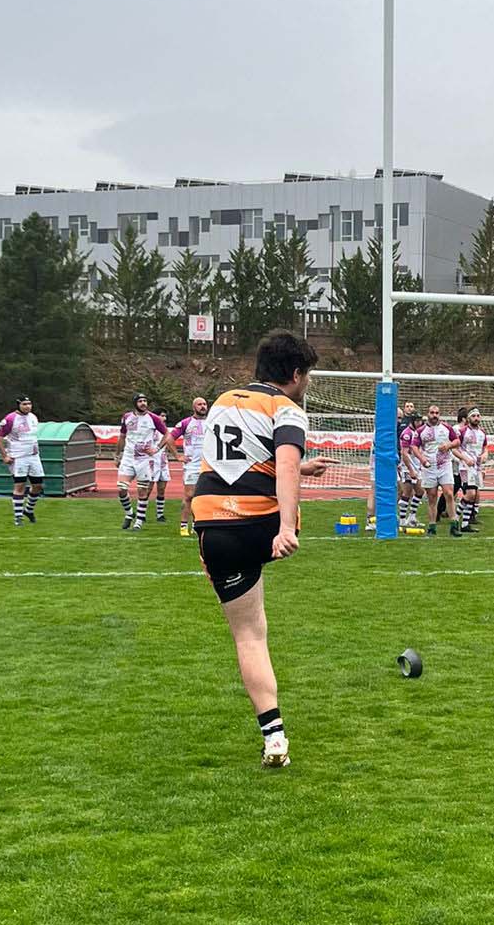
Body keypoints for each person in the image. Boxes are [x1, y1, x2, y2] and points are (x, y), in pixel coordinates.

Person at [191, 330, 333, 769]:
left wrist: (297, 467)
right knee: (256, 630)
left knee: (249, 635)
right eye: (307, 376)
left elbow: (232, 460)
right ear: (294, 374)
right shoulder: (286, 407)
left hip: (212, 522)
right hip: (259, 523)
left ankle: (274, 736)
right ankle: (273, 739)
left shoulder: (222, 400)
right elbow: (284, 463)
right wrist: (286, 527)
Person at [116, 393, 173, 530]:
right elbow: (122, 436)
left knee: (142, 491)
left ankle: (139, 522)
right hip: (129, 457)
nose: (143, 403)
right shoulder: (127, 417)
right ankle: (129, 513)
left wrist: (156, 448)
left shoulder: (153, 418)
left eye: (145, 401)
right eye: (140, 401)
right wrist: (118, 455)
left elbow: (167, 434)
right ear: (135, 403)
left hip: (144, 459)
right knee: (121, 489)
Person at [0, 396, 43, 527]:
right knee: (20, 486)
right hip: (18, 457)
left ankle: (28, 510)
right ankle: (18, 517)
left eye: (29, 403)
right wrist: (4, 456)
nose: (27, 406)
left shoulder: (33, 417)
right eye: (24, 404)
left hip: (33, 456)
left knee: (38, 486)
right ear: (18, 405)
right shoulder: (10, 419)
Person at [417, 405, 465, 537]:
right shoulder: (421, 430)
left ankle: (454, 525)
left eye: (437, 413)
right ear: (428, 414)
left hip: (444, 465)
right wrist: (422, 459)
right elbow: (414, 446)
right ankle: (432, 527)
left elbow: (457, 441)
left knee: (449, 493)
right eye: (432, 413)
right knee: (432, 497)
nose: (434, 415)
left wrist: (448, 445)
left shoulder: (447, 428)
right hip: (429, 467)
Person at [171, 396, 209, 537]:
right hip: (192, 465)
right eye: (199, 404)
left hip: (208, 465)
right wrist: (177, 455)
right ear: (194, 407)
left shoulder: (212, 422)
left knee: (203, 497)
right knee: (189, 496)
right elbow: (170, 438)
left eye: (204, 404)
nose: (203, 406)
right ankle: (183, 525)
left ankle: (196, 525)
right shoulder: (186, 423)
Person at [456, 407, 490, 532]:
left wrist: (485, 454)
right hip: (465, 467)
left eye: (478, 416)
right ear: (469, 418)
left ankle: (465, 524)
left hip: (477, 467)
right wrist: (464, 458)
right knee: (470, 494)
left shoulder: (482, 432)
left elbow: (485, 447)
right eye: (474, 416)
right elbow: (455, 448)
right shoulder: (462, 431)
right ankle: (455, 518)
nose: (476, 418)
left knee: (473, 495)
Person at [398, 413, 428, 528]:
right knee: (407, 492)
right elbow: (404, 453)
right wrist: (410, 470)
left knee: (420, 491)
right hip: (408, 467)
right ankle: (402, 519)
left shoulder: (419, 432)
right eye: (418, 421)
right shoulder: (407, 434)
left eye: (421, 421)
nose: (420, 423)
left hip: (417, 466)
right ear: (412, 421)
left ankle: (412, 517)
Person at [150, 409, 173, 523]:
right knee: (147, 488)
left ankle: (160, 515)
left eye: (165, 416)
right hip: (152, 462)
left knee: (162, 489)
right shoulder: (151, 429)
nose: (164, 418)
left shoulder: (166, 431)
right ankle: (142, 515)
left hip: (163, 462)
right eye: (162, 416)